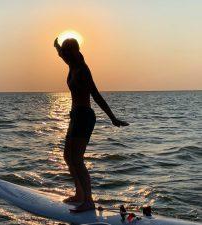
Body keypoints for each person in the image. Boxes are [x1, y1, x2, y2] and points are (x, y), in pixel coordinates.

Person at [53, 37, 129, 213]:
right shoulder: (71, 64)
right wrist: (56, 45)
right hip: (75, 116)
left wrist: (113, 118)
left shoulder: (83, 70)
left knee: (77, 159)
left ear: (75, 51)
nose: (64, 53)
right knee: (67, 156)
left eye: (67, 50)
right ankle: (79, 194)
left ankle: (88, 201)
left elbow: (95, 95)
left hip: (84, 116)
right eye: (64, 50)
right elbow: (60, 54)